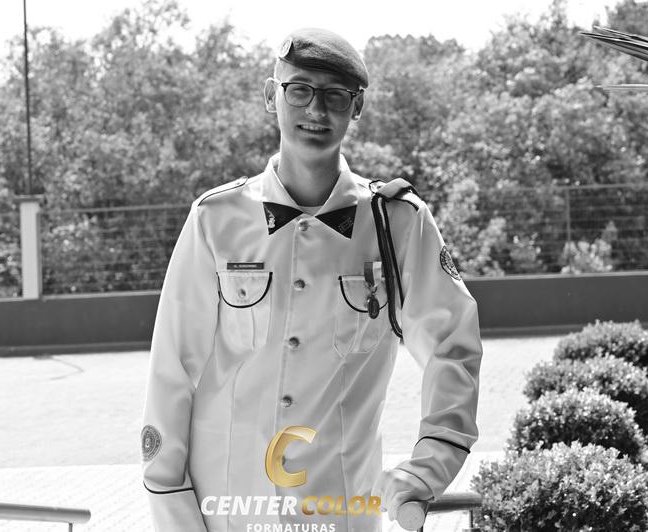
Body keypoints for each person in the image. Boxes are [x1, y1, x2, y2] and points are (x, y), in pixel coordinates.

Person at [141, 28, 482, 532]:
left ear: (357, 107)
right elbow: (172, 370)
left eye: (335, 95)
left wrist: (427, 468)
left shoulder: (397, 224)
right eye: (299, 90)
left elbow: (452, 347)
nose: (316, 110)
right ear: (270, 96)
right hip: (226, 511)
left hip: (340, 512)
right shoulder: (216, 219)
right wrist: (173, 510)